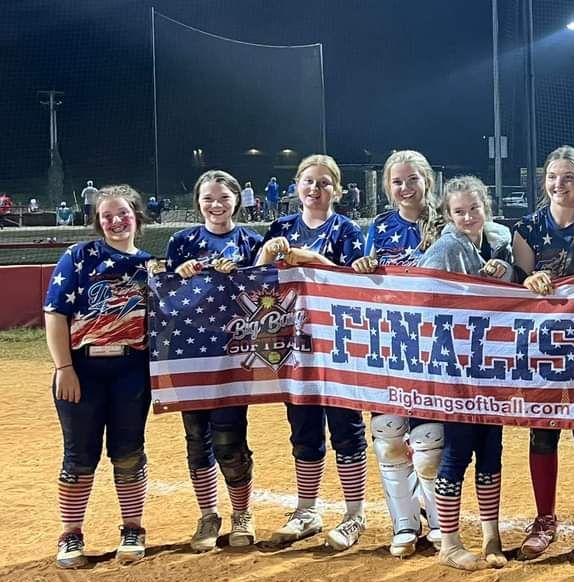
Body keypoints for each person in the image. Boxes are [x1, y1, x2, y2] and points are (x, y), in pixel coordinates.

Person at [254, 154, 369, 551]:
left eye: (323, 183)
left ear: (336, 189)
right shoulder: (280, 228)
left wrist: (314, 259)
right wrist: (267, 255)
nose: (315, 189)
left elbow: (357, 285)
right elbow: (258, 283)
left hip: (338, 345)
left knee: (345, 426)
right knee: (303, 426)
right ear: (296, 187)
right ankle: (307, 508)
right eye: (308, 181)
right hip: (295, 343)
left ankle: (355, 514)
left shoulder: (347, 230)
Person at [43, 184, 155, 568]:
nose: (116, 221)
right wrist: (64, 368)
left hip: (130, 371)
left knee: (129, 451)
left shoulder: (148, 266)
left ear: (136, 216)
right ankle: (71, 534)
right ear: (98, 221)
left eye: (123, 213)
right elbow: (55, 314)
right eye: (107, 215)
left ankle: (133, 529)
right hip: (83, 371)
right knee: (79, 455)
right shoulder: (78, 257)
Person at [512, 146, 574, 562]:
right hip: (543, 346)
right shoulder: (527, 227)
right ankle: (544, 518)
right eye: (552, 176)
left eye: (568, 177)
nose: (558, 184)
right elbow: (518, 283)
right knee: (543, 431)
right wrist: (528, 279)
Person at [162, 170, 264, 552]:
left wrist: (244, 274)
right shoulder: (181, 242)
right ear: (198, 202)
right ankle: (208, 515)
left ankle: (242, 514)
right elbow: (167, 295)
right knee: (196, 438)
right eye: (208, 198)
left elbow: (265, 288)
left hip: (233, 353)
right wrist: (179, 272)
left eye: (223, 197)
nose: (216, 205)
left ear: (237, 199)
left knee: (230, 437)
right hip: (188, 355)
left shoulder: (251, 241)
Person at [417, 175, 512, 570]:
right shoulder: (444, 248)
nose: (469, 216)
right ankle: (449, 542)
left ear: (485, 207)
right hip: (456, 368)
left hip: (490, 366)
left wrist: (501, 272)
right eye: (459, 211)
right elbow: (421, 293)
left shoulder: (497, 241)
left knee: (491, 450)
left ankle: (492, 536)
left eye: (475, 208)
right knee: (457, 452)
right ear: (448, 215)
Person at [353, 150, 445, 557]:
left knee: (428, 438)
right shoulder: (380, 226)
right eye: (397, 182)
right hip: (390, 344)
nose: (405, 188)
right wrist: (361, 267)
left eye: (412, 180)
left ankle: (441, 519)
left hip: (436, 345)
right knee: (389, 434)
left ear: (427, 180)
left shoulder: (445, 223)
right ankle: (404, 524)